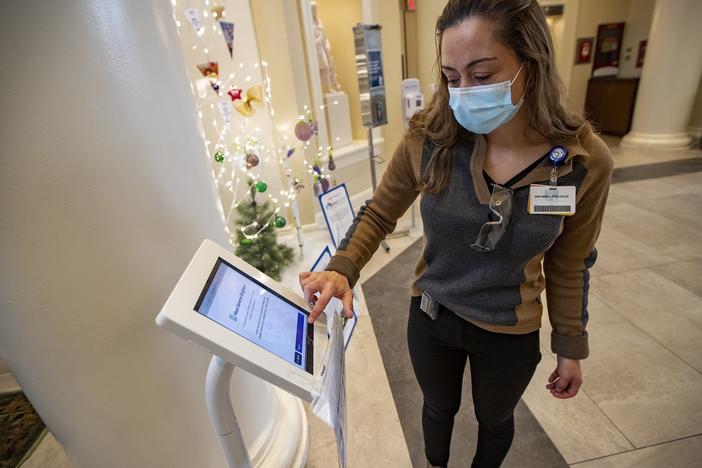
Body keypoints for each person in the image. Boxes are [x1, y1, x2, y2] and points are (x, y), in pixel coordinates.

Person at [299, 0, 613, 466]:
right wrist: (343, 267)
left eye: (482, 75)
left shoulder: (582, 162)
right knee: (437, 408)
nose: (464, 91)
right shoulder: (430, 139)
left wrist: (570, 347)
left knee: (495, 419)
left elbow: (569, 263)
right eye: (451, 77)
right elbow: (380, 213)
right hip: (433, 316)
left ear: (532, 62)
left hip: (510, 329)